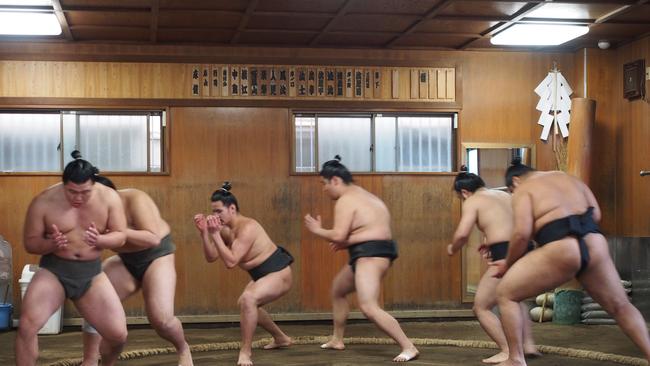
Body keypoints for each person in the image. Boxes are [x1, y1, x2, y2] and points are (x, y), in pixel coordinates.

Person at [491, 158, 650, 366]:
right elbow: (597, 213)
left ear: (516, 181)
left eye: (511, 190)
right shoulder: (568, 178)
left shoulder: (523, 189)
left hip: (561, 246)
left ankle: (515, 358)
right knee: (621, 306)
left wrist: (507, 263)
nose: (512, 194)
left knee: (506, 293)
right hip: (595, 242)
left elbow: (521, 234)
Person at [16, 151, 128, 366]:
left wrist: (101, 241)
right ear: (63, 184)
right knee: (27, 326)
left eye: (84, 192)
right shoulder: (44, 201)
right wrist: (51, 244)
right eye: (72, 192)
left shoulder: (109, 198)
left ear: (93, 185)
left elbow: (121, 236)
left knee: (118, 335)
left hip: (91, 274)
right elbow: (30, 243)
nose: (78, 198)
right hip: (54, 271)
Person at [304, 156, 419, 363]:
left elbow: (339, 235)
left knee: (368, 306)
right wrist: (349, 242)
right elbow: (375, 230)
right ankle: (337, 339)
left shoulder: (346, 200)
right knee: (338, 290)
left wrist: (318, 230)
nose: (324, 189)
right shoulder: (367, 196)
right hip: (373, 252)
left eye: (325, 184)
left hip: (370, 255)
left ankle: (408, 346)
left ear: (335, 181)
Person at [80, 176, 193, 366]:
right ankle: (91, 361)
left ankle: (183, 348)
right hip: (126, 261)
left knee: (162, 320)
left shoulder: (135, 199)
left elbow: (152, 238)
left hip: (157, 256)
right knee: (94, 300)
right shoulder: (87, 214)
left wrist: (115, 231)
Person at [193, 182, 293, 366]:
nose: (215, 216)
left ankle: (245, 353)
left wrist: (215, 234)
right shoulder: (223, 230)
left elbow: (231, 262)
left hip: (279, 272)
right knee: (245, 303)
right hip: (261, 275)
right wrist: (205, 234)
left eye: (219, 211)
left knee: (248, 299)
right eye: (213, 211)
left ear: (232, 208)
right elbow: (211, 257)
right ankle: (281, 338)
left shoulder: (248, 227)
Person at [447, 169, 539, 364]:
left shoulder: (473, 201)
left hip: (506, 252)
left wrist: (452, 248)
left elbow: (462, 234)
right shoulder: (504, 195)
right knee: (515, 298)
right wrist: (491, 244)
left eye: (461, 197)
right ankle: (527, 345)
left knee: (481, 306)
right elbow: (512, 224)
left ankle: (508, 351)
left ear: (464, 192)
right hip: (526, 247)